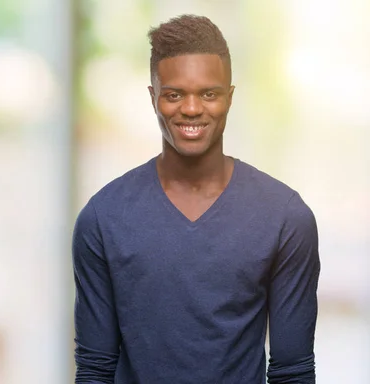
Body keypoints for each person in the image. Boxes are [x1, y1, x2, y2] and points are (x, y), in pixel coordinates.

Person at [72, 14, 320, 384]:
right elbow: (95, 370)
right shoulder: (103, 218)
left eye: (209, 93)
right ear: (153, 96)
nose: (191, 109)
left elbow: (292, 371)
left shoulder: (284, 217)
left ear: (230, 97)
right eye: (174, 94)